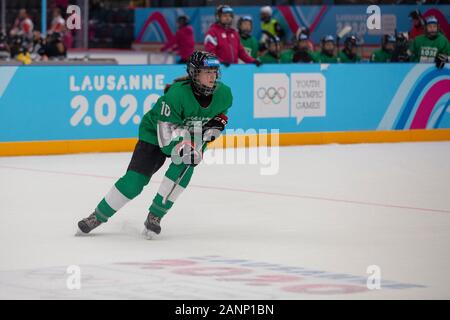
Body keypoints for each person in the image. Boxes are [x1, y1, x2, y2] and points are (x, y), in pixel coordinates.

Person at [77, 51, 233, 239]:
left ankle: (156, 215)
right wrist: (184, 148)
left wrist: (214, 127)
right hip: (155, 134)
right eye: (206, 72)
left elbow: (220, 115)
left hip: (191, 135)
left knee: (184, 168)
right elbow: (166, 140)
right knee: (134, 182)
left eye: (214, 72)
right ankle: (98, 215)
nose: (212, 76)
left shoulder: (224, 93)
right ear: (194, 74)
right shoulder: (176, 95)